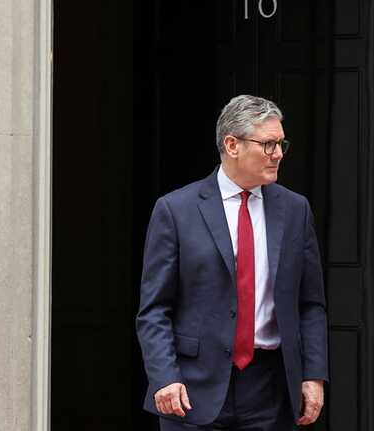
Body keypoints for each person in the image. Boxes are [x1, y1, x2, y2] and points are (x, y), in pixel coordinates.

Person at [136, 95, 328, 430]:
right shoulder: (176, 210)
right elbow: (154, 309)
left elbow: (310, 303)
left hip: (271, 388)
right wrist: (165, 377)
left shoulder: (296, 210)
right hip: (191, 391)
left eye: (281, 144)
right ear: (232, 144)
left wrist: (314, 375)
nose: (278, 154)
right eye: (268, 144)